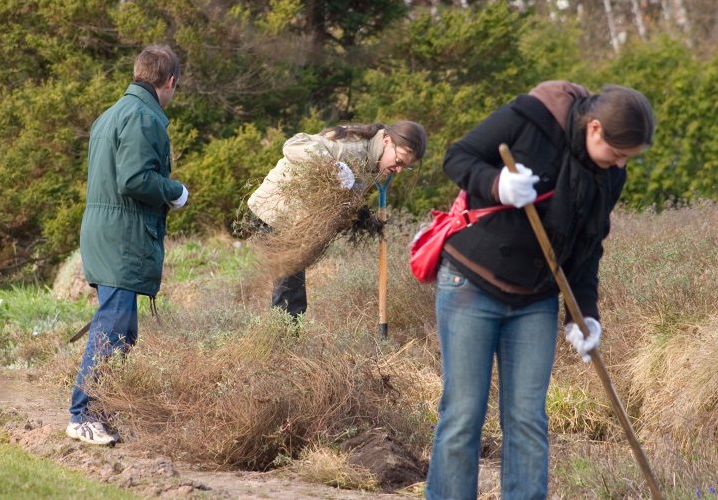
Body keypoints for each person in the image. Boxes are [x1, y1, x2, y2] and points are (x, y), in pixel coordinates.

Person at [425, 81, 655, 499]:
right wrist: (497, 185)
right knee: (463, 415)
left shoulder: (610, 176)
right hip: (471, 283)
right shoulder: (531, 118)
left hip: (536, 298)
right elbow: (457, 157)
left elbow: (588, 246)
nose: (619, 164)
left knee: (528, 419)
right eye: (617, 153)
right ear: (596, 128)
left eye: (627, 158)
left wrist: (583, 314)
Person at [66, 45, 189, 446]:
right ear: (169, 81)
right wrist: (175, 190)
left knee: (122, 329)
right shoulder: (142, 117)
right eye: (175, 86)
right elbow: (134, 179)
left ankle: (100, 413)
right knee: (113, 326)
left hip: (105, 231)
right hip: (121, 238)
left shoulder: (111, 114)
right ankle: (82, 415)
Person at [247, 120, 427, 318]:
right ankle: (281, 343)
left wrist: (363, 219)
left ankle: (283, 338)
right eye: (399, 161)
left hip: (292, 220)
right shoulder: (353, 149)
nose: (399, 169)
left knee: (291, 289)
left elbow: (343, 196)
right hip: (273, 213)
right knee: (291, 294)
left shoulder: (370, 160)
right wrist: (333, 166)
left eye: (406, 167)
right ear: (386, 140)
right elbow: (295, 144)